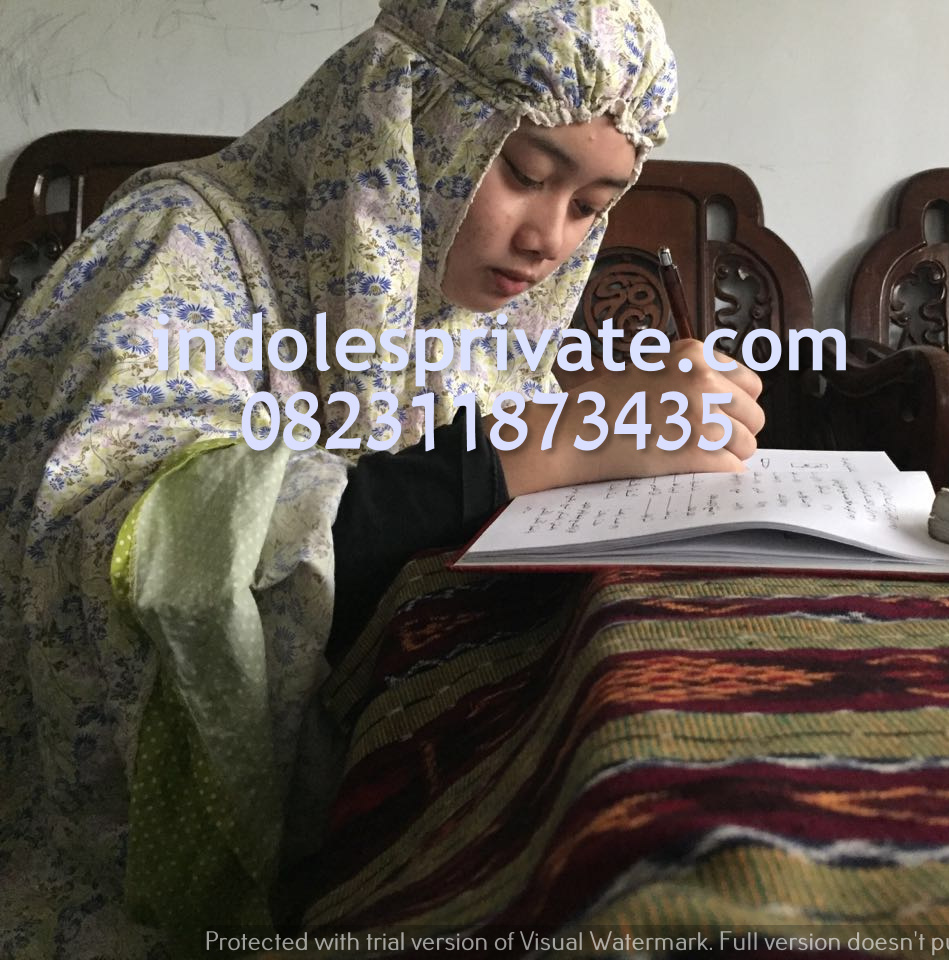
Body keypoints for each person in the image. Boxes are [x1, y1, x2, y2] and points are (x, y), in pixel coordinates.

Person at [0, 0, 764, 955]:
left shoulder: (460, 304)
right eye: (527, 175)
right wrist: (544, 445)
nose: (551, 239)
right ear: (406, 115)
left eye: (590, 207)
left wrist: (593, 432)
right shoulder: (177, 244)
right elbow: (134, 565)